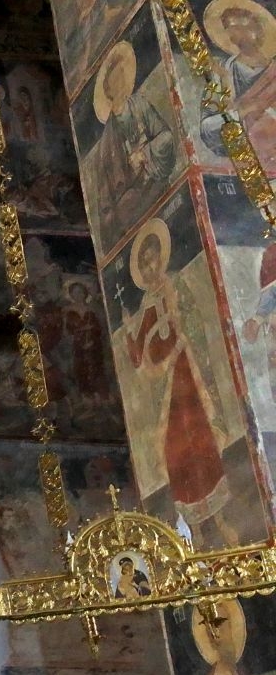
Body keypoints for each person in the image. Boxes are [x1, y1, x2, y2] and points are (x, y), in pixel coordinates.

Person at [123, 219, 237, 544]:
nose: (150, 268)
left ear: (162, 258)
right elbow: (139, 356)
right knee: (176, 452)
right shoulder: (146, 305)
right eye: (144, 264)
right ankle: (194, 530)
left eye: (153, 259)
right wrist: (130, 332)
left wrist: (181, 341)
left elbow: (194, 323)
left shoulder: (176, 285)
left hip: (188, 376)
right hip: (166, 390)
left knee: (202, 440)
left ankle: (221, 519)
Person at [92, 42, 177, 238]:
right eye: (116, 80)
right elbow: (105, 202)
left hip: (155, 183)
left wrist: (143, 154)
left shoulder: (140, 105)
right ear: (108, 89)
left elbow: (166, 137)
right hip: (131, 209)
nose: (121, 83)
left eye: (123, 77)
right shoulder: (104, 145)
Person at [200, 0, 276, 161]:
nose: (241, 32)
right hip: (250, 164)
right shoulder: (222, 73)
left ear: (259, 28)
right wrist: (240, 112)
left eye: (246, 23)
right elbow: (207, 128)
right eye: (232, 27)